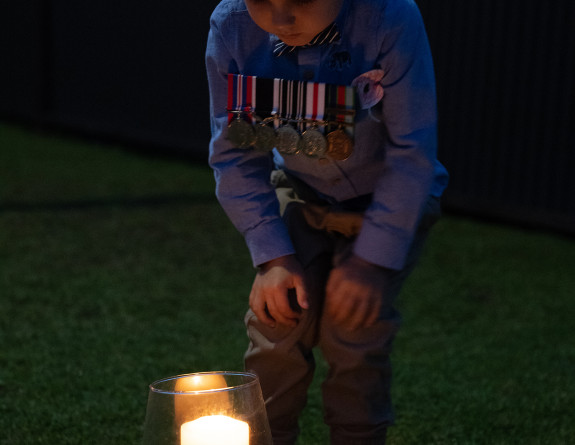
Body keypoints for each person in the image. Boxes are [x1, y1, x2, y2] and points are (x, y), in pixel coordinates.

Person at [205, 0, 448, 443]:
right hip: (300, 192)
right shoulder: (231, 27)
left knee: (353, 329)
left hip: (385, 201)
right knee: (277, 321)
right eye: (261, 0)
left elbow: (411, 154)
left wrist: (372, 262)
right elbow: (234, 153)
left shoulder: (390, 19)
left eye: (300, 0)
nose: (280, 19)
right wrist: (273, 255)